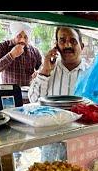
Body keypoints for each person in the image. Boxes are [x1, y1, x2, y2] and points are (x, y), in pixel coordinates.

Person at [28, 26, 89, 161]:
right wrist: (44, 71)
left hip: (83, 141)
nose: (67, 45)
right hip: (51, 142)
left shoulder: (90, 74)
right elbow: (34, 100)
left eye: (73, 41)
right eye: (62, 40)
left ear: (81, 46)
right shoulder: (48, 70)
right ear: (56, 45)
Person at [0, 21, 42, 86]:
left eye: (25, 37)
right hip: (9, 92)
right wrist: (11, 55)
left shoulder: (34, 51)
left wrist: (38, 73)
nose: (22, 40)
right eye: (19, 36)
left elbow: (41, 67)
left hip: (28, 92)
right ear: (14, 35)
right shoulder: (2, 46)